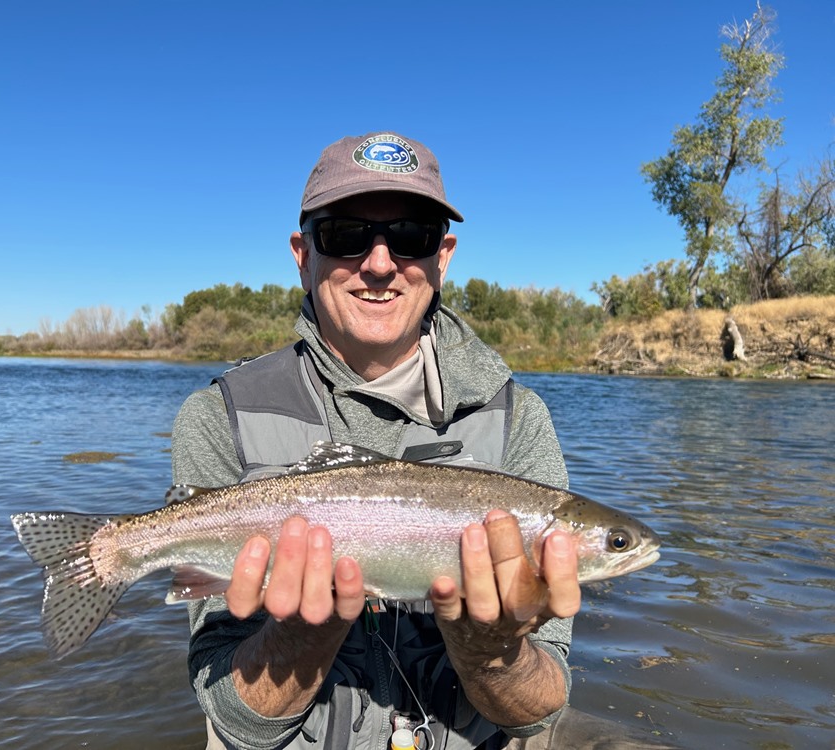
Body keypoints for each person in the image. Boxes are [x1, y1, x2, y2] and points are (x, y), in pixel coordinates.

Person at [172, 132, 667, 750]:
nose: (380, 263)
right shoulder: (220, 416)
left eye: (412, 236)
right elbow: (235, 721)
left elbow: (536, 712)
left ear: (444, 256)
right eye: (345, 235)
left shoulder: (519, 420)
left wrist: (495, 655)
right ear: (303, 255)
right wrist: (299, 633)